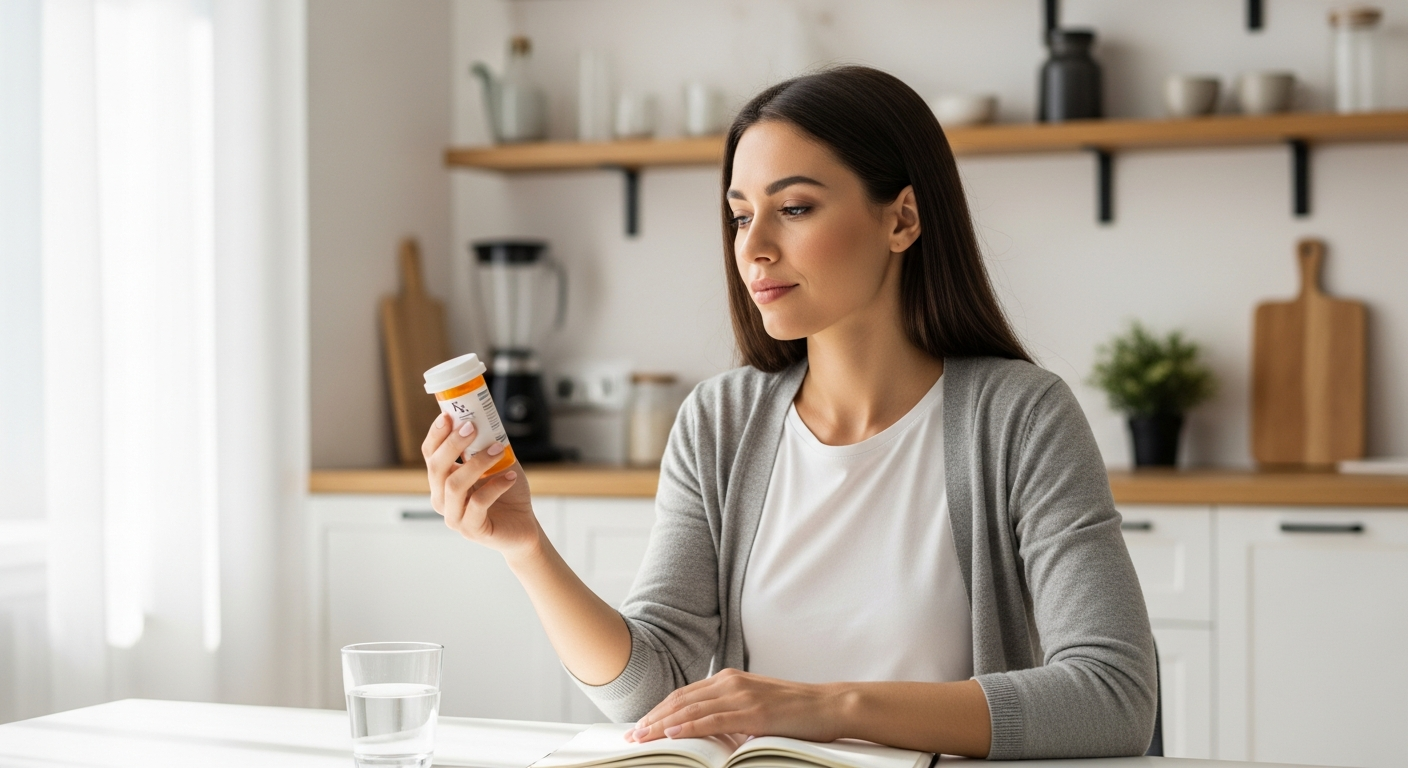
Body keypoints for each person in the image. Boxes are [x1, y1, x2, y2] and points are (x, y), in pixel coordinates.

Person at [422, 65, 1156, 760]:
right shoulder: (719, 422)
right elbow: (653, 689)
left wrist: (827, 708)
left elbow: (1114, 697)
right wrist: (525, 546)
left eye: (795, 208)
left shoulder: (1022, 419)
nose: (754, 249)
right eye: (741, 217)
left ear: (902, 219)